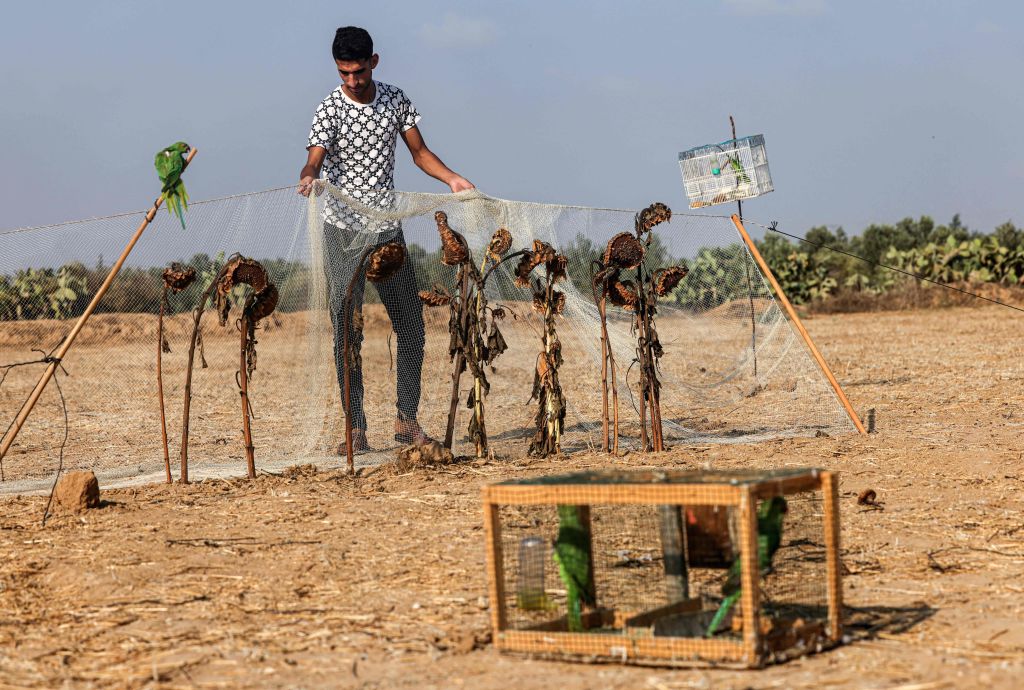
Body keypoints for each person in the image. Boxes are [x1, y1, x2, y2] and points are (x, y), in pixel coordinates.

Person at [299, 26, 473, 454]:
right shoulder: (329, 109)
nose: (353, 81)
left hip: (386, 229)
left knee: (411, 325)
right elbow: (315, 157)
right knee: (347, 330)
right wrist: (308, 176)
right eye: (344, 74)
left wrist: (451, 178)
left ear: (373, 62)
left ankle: (405, 420)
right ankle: (355, 428)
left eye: (359, 72)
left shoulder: (396, 99)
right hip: (341, 231)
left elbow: (419, 152)